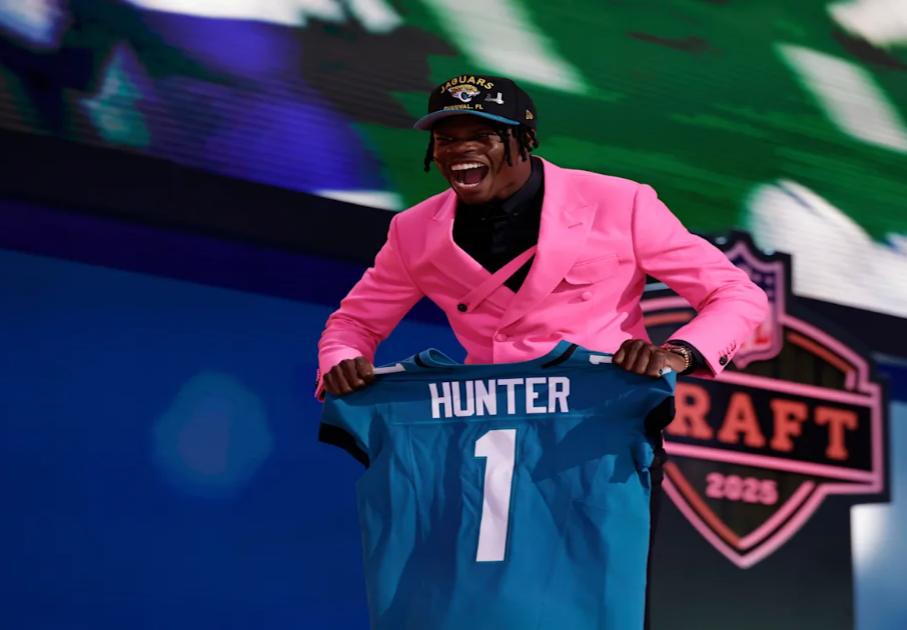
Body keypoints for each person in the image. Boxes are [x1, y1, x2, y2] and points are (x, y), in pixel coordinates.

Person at [315, 73, 768, 628]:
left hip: (594, 435)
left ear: (523, 139)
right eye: (445, 139)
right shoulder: (414, 230)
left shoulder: (620, 202)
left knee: (594, 599)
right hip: (476, 437)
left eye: (481, 135)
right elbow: (354, 322)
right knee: (471, 602)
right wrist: (341, 362)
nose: (458, 150)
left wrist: (676, 353)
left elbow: (736, 294)